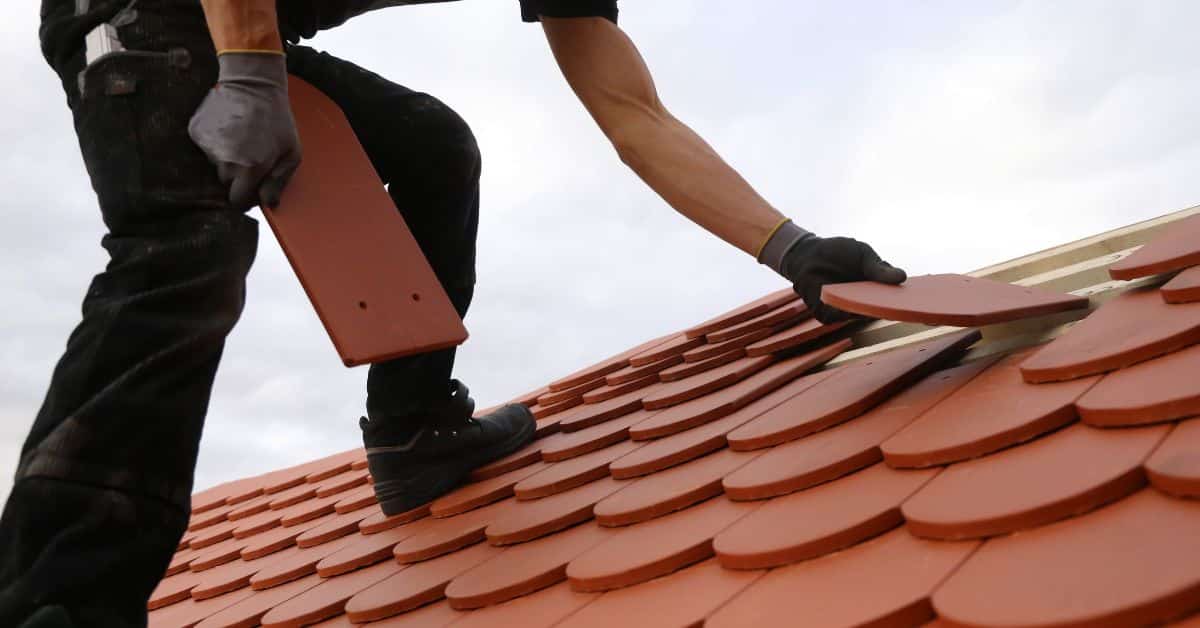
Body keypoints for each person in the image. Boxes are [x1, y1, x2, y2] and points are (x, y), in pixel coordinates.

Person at [1, 0, 906, 625]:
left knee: (432, 145)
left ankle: (413, 431)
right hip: (132, 14)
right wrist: (245, 71)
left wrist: (792, 247)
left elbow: (634, 115)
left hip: (249, 27)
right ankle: (57, 595)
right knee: (184, 252)